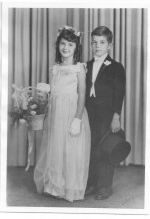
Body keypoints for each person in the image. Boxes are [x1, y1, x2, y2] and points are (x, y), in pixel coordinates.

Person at [34, 26, 91, 202]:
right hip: (56, 113)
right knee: (56, 148)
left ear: (76, 48)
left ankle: (70, 188)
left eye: (70, 45)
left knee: (72, 150)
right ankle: (55, 186)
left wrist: (77, 119)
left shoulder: (79, 68)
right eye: (63, 44)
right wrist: (47, 91)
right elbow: (55, 92)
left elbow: (82, 93)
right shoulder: (55, 69)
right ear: (58, 45)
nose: (66, 48)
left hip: (72, 112)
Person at [85, 26, 125, 200]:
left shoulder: (116, 67)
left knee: (104, 149)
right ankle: (92, 183)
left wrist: (116, 116)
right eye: (94, 42)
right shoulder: (85, 66)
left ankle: (104, 186)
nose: (97, 46)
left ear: (109, 45)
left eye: (102, 42)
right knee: (90, 148)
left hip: (106, 115)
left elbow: (119, 94)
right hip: (89, 114)